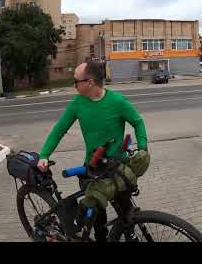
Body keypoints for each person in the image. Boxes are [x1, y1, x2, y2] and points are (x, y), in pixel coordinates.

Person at [37, 62, 150, 241]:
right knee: (97, 218)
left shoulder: (117, 101)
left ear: (90, 82)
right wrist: (44, 155)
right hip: (92, 168)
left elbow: (137, 121)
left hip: (117, 168)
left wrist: (142, 148)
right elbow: (59, 129)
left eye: (76, 81)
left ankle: (129, 233)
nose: (73, 84)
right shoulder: (78, 103)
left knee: (126, 211)